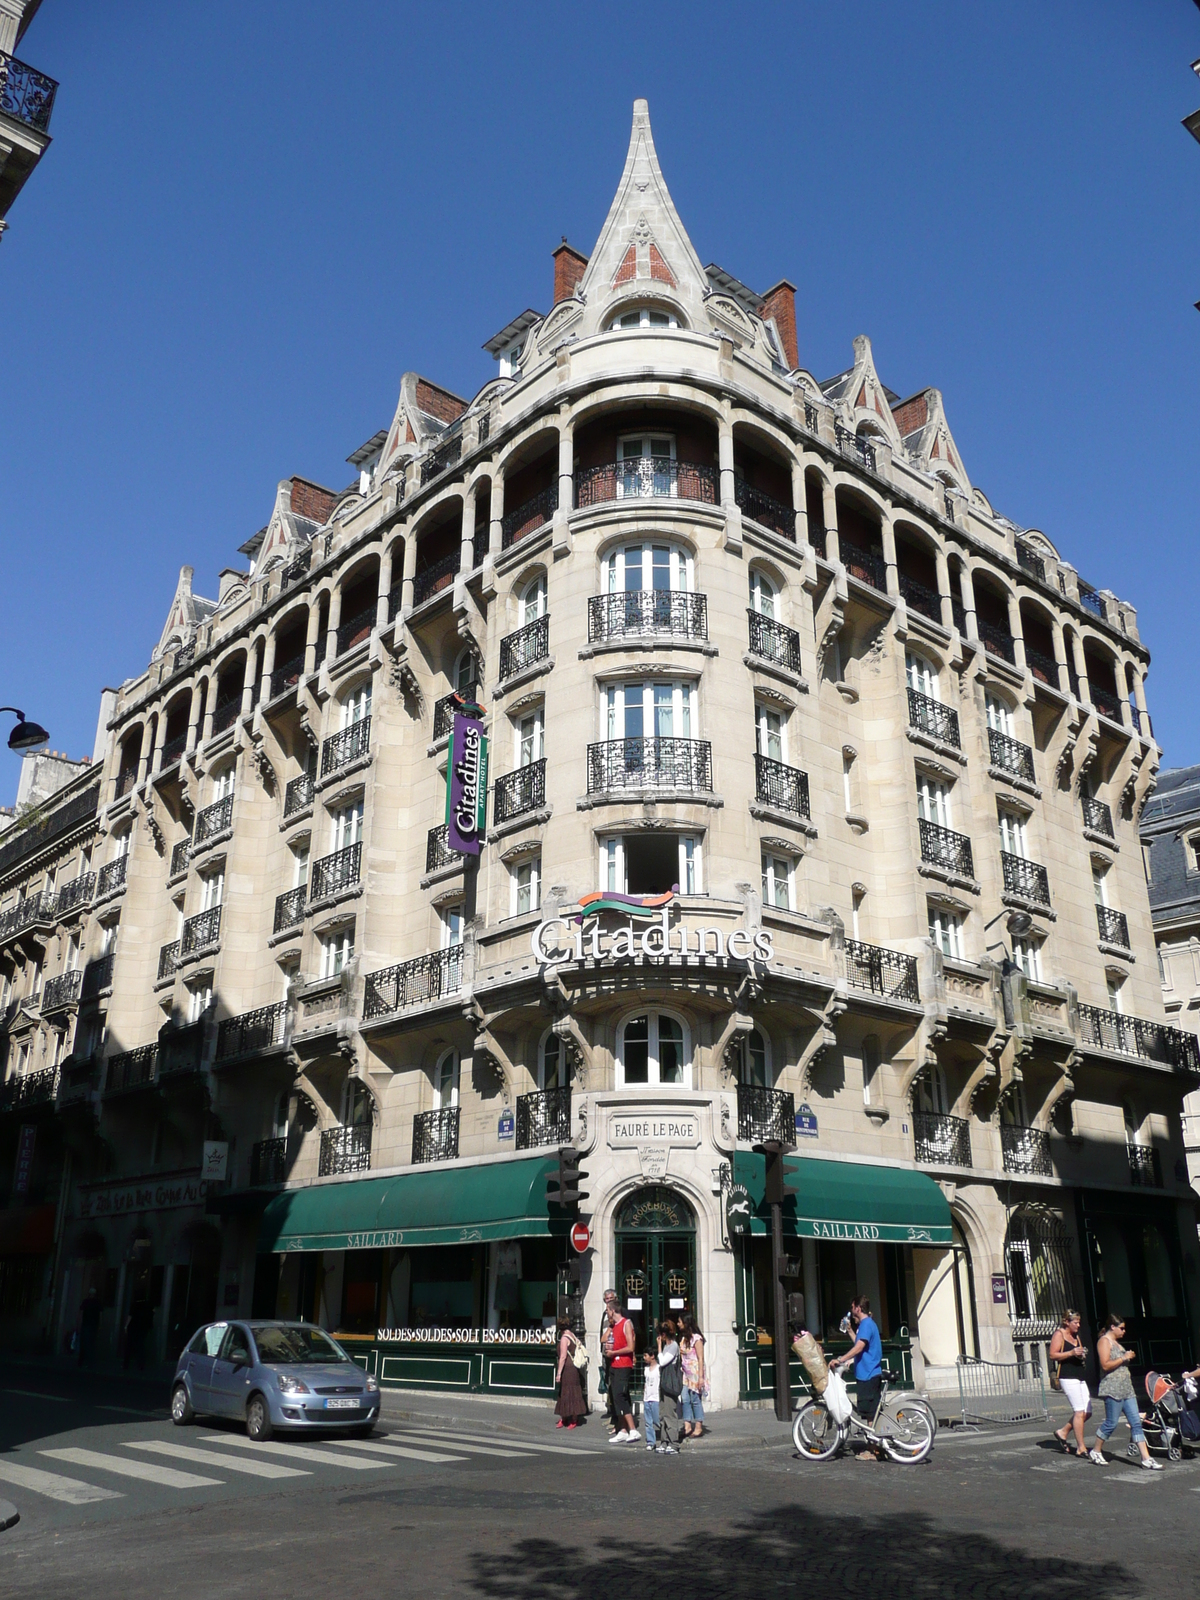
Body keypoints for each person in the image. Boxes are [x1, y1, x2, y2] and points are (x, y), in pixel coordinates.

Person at [1089, 1313, 1162, 1469]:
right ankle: (1096, 1450)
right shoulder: (1104, 1341)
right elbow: (1105, 1365)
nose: (1124, 1331)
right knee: (1111, 1422)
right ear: (1112, 1327)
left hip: (1127, 1388)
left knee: (1136, 1422)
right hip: (1112, 1388)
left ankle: (1146, 1458)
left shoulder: (1117, 1343)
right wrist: (1124, 1358)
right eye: (1121, 1328)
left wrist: (1127, 1356)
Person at [828, 1295, 883, 1461]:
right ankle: (874, 1446)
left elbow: (859, 1347)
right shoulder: (867, 1325)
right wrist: (850, 1331)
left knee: (870, 1414)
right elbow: (861, 1344)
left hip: (868, 1373)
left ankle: (872, 1449)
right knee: (869, 1413)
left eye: (852, 1308)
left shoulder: (866, 1324)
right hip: (866, 1372)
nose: (851, 1311)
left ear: (858, 1308)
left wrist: (841, 1359)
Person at [1049, 1308, 1091, 1458]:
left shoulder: (1076, 1336)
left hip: (1079, 1375)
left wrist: (1081, 1354)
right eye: (1075, 1322)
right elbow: (1053, 1355)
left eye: (1079, 1322)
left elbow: (1078, 1352)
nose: (1078, 1325)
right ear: (1066, 1322)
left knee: (1087, 1412)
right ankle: (1081, 1447)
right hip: (1067, 1376)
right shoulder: (1059, 1334)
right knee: (1079, 1411)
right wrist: (1071, 1353)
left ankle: (1063, 1432)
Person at [604, 1297, 638, 1443]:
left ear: (612, 1310)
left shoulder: (626, 1324)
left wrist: (614, 1352)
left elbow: (630, 1347)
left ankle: (633, 1430)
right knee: (616, 1397)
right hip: (614, 1364)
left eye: (607, 1310)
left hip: (624, 1365)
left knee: (620, 1396)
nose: (606, 1313)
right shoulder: (615, 1326)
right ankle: (622, 1429)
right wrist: (609, 1349)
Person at [678, 1313, 708, 1440]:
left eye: (680, 1322)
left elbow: (700, 1358)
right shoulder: (684, 1339)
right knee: (684, 1398)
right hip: (686, 1373)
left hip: (695, 1372)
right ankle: (687, 1425)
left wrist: (701, 1377)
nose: (678, 1324)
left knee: (695, 1399)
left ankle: (698, 1426)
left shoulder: (697, 1338)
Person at [554, 1314, 587, 1430]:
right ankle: (572, 1418)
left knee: (566, 1393)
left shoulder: (564, 1338)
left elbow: (562, 1357)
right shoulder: (572, 1335)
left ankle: (567, 1418)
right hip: (574, 1369)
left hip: (567, 1369)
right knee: (573, 1392)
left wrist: (558, 1373)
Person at [599, 1289, 620, 1433]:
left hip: (616, 1356)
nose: (609, 1300)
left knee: (616, 1388)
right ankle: (612, 1415)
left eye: (611, 1298)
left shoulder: (619, 1314)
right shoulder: (604, 1315)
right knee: (609, 1386)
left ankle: (617, 1419)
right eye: (606, 1299)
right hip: (606, 1354)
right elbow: (602, 1335)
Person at [78, 1286, 101, 1366]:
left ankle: (81, 1361)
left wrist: (79, 1323)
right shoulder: (97, 1302)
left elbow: (81, 1312)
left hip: (86, 1324)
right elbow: (100, 1313)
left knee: (84, 1342)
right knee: (91, 1343)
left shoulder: (86, 1302)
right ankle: (89, 1361)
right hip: (94, 1324)